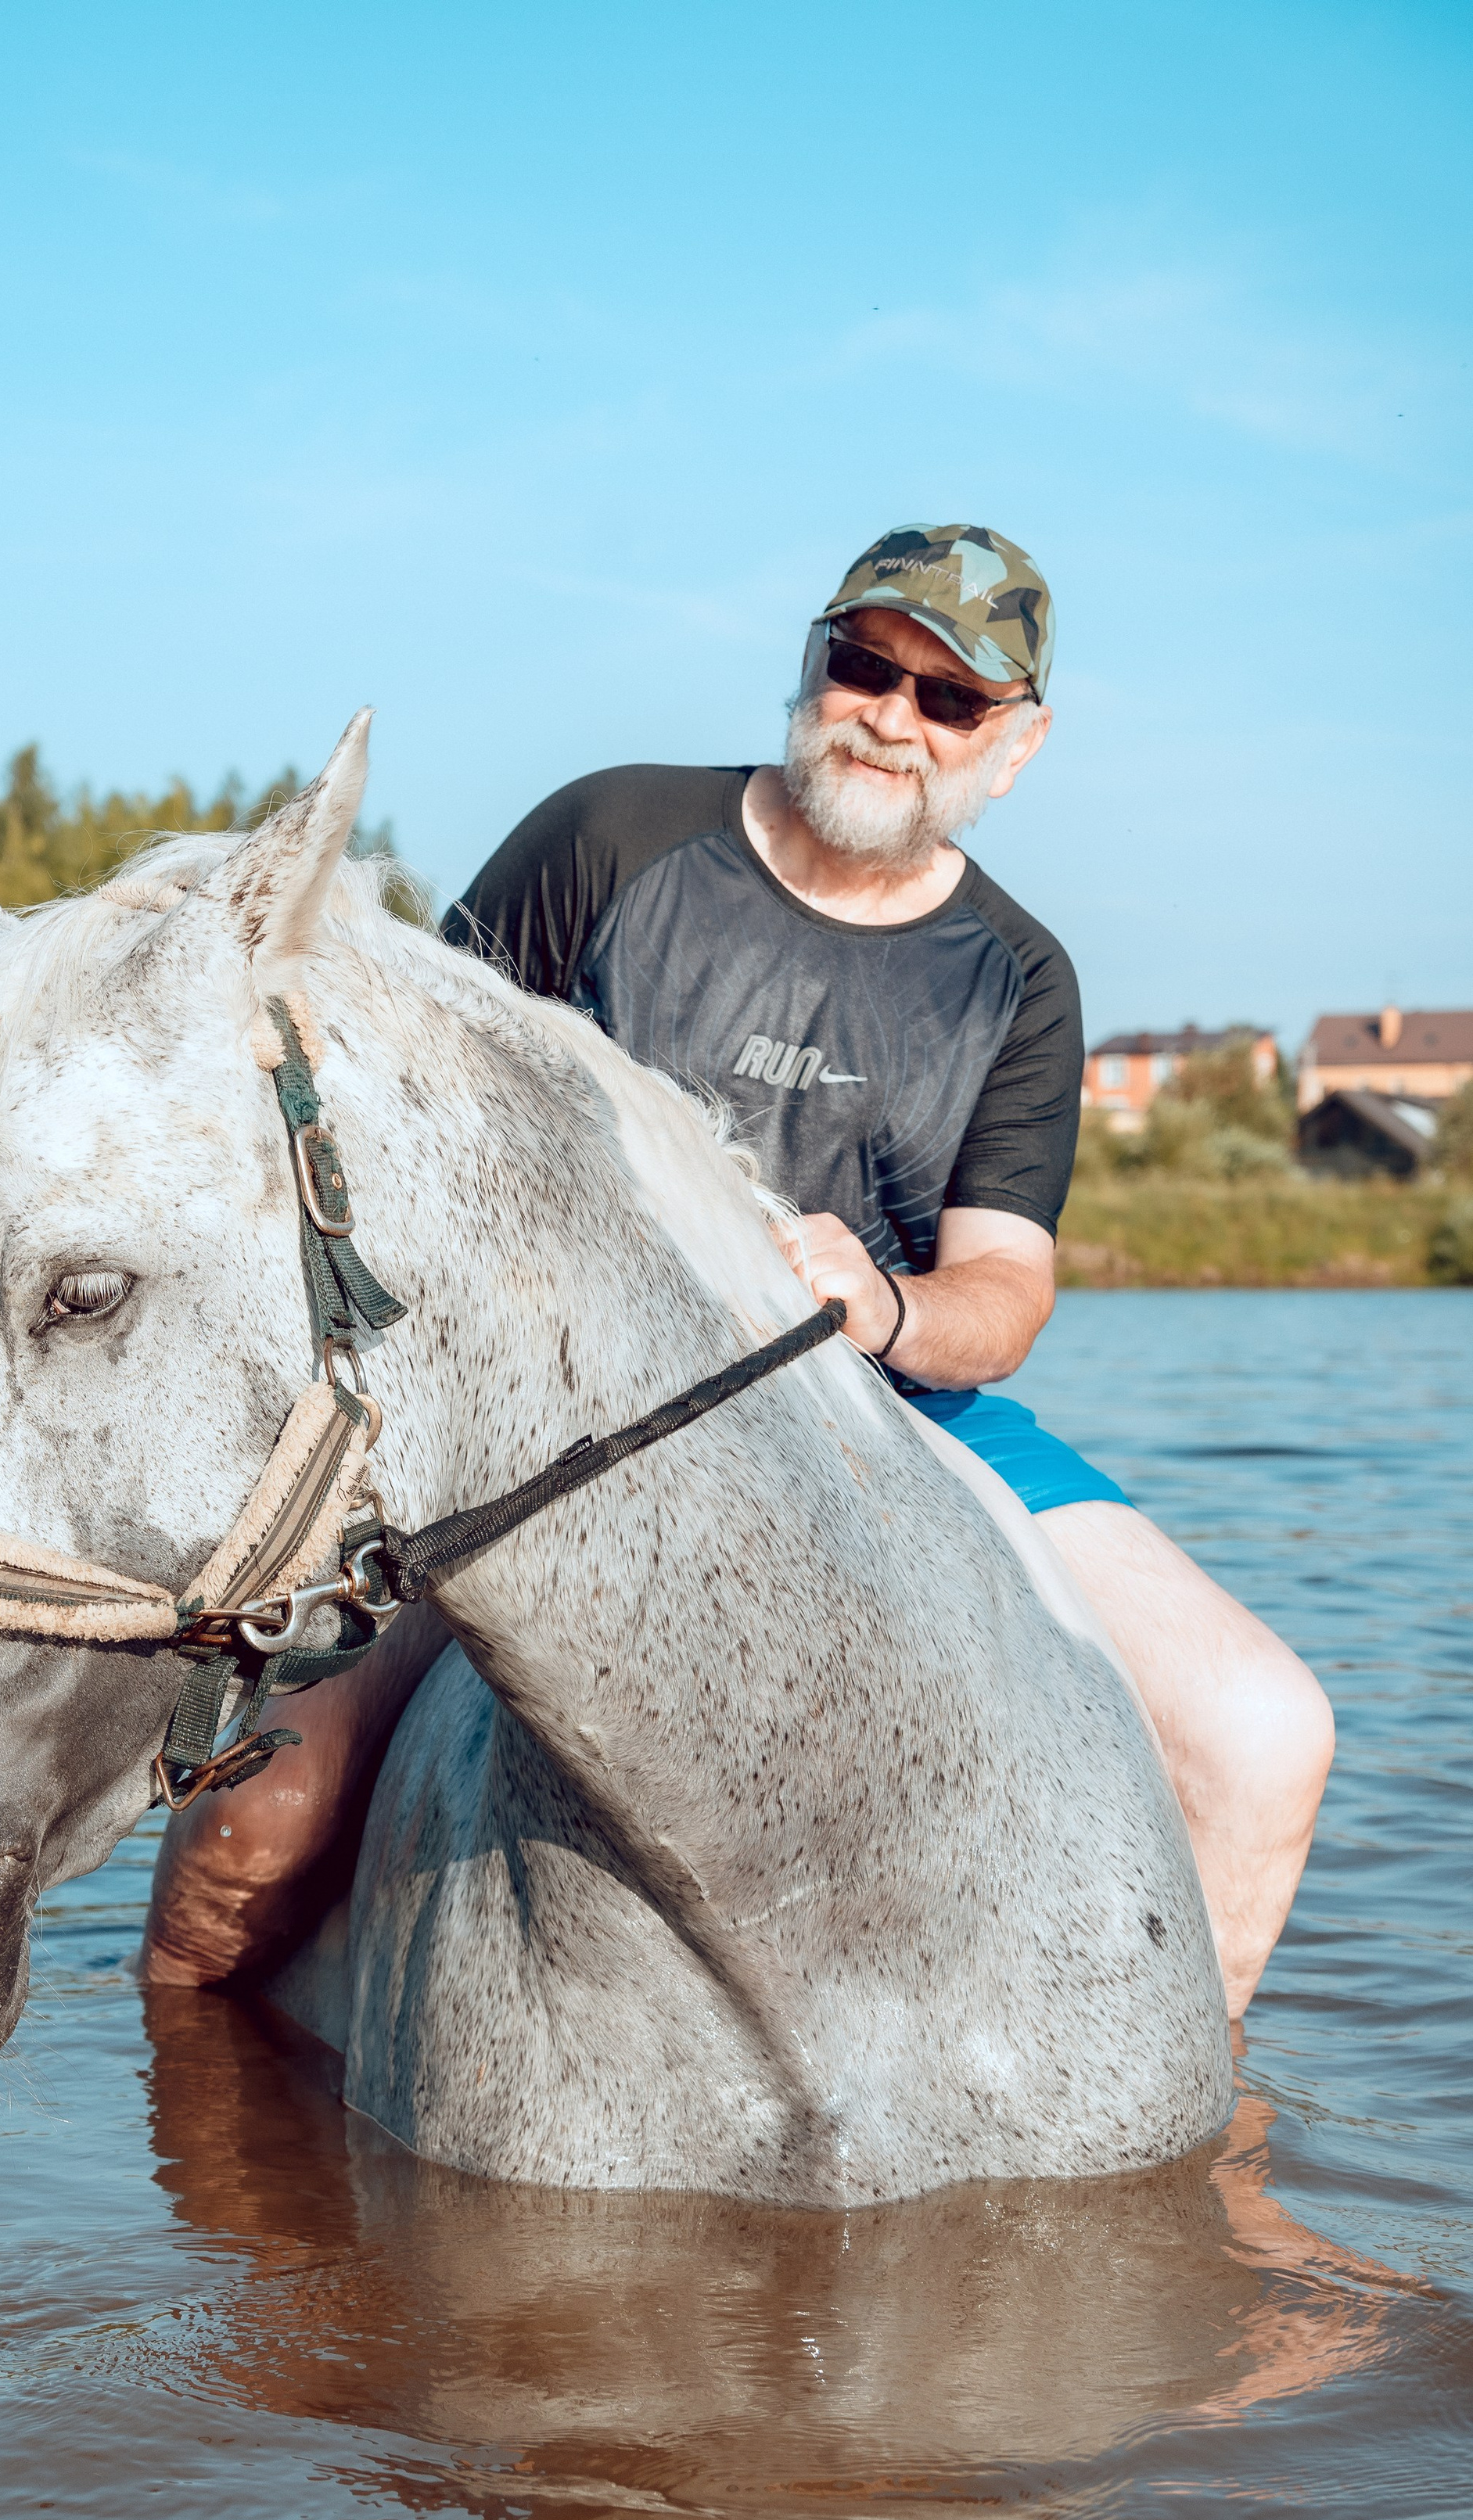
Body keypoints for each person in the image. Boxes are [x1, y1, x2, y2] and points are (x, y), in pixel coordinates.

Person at [143, 522, 1333, 2019]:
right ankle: (206, 2159)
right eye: (867, 667)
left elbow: (1004, 1299)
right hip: (536, 1419)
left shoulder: (1023, 980)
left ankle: (1173, 2144)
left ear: (1014, 745)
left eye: (950, 700)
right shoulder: (610, 836)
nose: (893, 719)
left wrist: (883, 1307)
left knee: (1267, 1733)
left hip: (889, 1413)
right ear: (816, 660)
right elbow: (399, 1110)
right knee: (253, 1833)